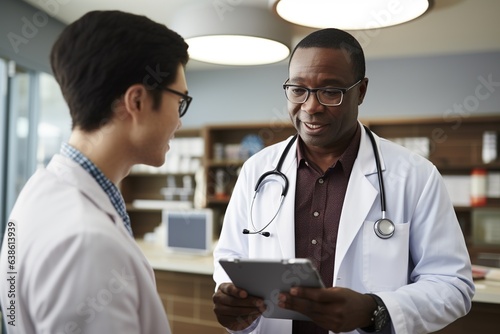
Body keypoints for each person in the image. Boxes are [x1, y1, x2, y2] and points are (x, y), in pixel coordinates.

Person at [212, 28, 474, 334]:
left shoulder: (416, 175)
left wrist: (375, 309)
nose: (311, 107)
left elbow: (452, 285)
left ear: (360, 91)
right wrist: (232, 297)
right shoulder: (257, 170)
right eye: (298, 90)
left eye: (330, 92)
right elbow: (230, 257)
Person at [0, 10, 191, 333]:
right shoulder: (87, 244)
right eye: (180, 101)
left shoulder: (38, 190)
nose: (179, 121)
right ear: (137, 101)